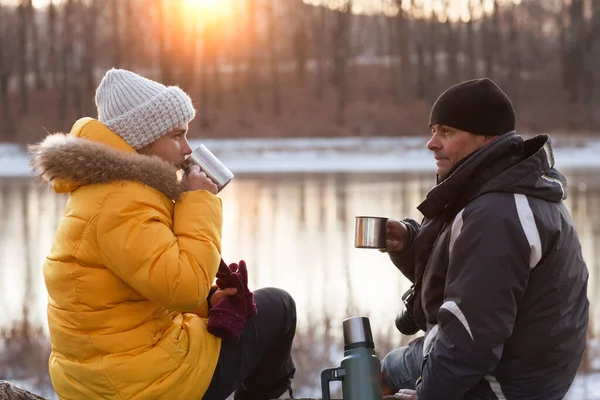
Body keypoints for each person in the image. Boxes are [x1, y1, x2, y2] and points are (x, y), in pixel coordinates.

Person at [29, 69, 296, 400]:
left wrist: (208, 303)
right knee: (280, 307)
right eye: (177, 136)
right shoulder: (121, 203)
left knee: (244, 313)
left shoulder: (109, 191)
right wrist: (198, 201)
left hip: (106, 377)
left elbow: (148, 288)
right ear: (142, 140)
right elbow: (183, 286)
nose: (187, 149)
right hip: (143, 385)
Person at [379, 78, 589, 400]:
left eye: (446, 132)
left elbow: (470, 340)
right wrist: (410, 244)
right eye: (433, 130)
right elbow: (466, 282)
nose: (431, 143)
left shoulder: (498, 214)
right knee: (387, 367)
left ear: (487, 139)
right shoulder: (500, 192)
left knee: (375, 374)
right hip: (517, 367)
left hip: (504, 383)